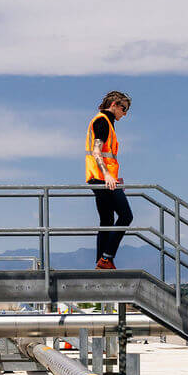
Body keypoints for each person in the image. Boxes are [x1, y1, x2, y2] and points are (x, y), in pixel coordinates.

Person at [85, 90, 132, 268]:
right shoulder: (102, 122)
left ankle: (101, 262)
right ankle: (106, 257)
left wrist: (113, 176)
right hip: (102, 179)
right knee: (126, 216)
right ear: (114, 105)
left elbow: (106, 155)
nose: (125, 113)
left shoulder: (106, 122)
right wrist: (107, 176)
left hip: (99, 178)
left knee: (106, 221)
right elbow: (97, 151)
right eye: (124, 108)